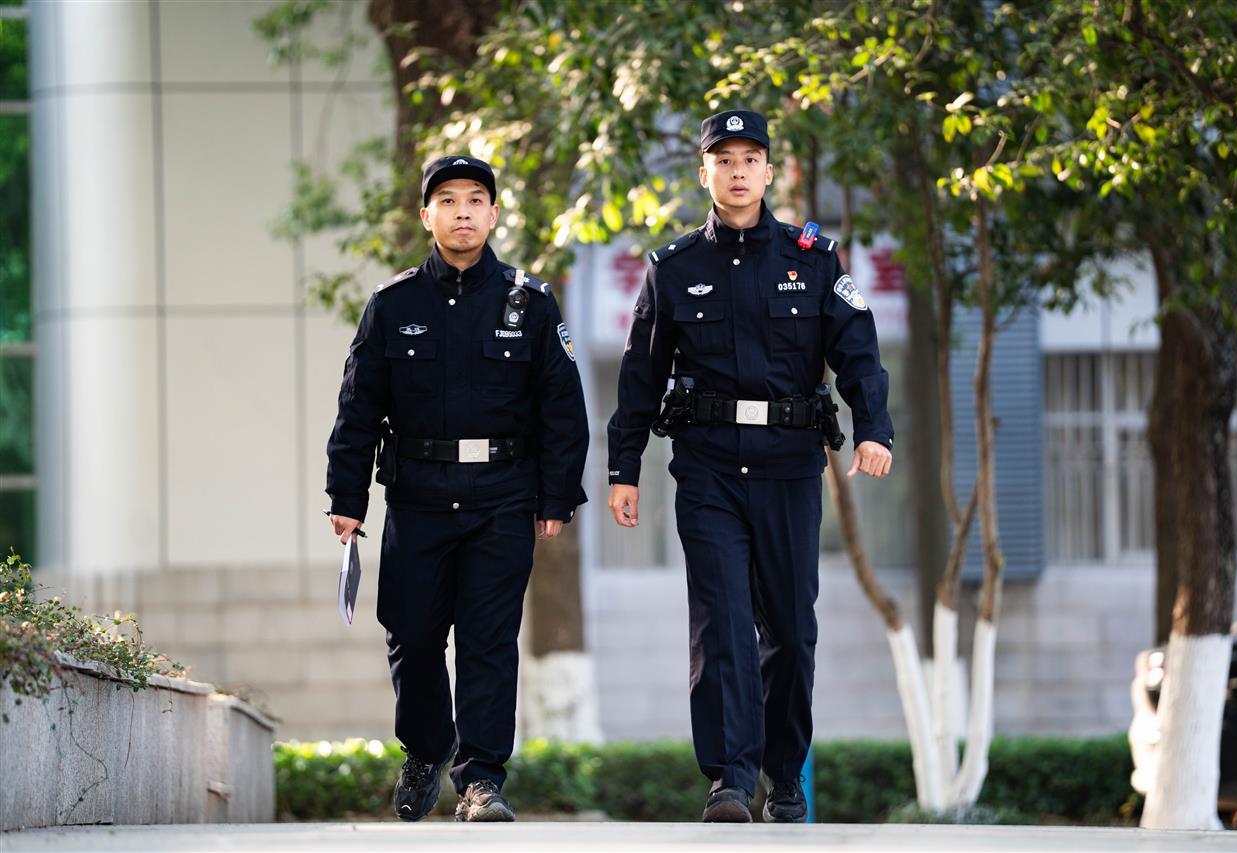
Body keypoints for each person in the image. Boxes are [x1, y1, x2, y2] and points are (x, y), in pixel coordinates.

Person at [606, 110, 894, 823]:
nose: (737, 172)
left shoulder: (814, 259)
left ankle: (784, 774)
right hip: (707, 470)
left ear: (768, 171)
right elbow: (640, 377)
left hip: (789, 469)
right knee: (724, 624)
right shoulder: (674, 268)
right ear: (703, 173)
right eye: (723, 160)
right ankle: (730, 780)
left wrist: (873, 428)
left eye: (749, 159)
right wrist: (623, 468)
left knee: (791, 631)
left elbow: (858, 350)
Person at [325, 155, 588, 822]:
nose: (462, 211)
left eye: (475, 199)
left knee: (488, 641)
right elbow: (358, 408)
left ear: (494, 214)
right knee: (411, 634)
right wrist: (347, 498)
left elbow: (562, 406)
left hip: (502, 496)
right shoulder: (393, 305)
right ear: (427, 215)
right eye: (448, 200)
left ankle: (482, 780)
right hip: (417, 496)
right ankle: (425, 747)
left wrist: (556, 496)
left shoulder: (530, 303)